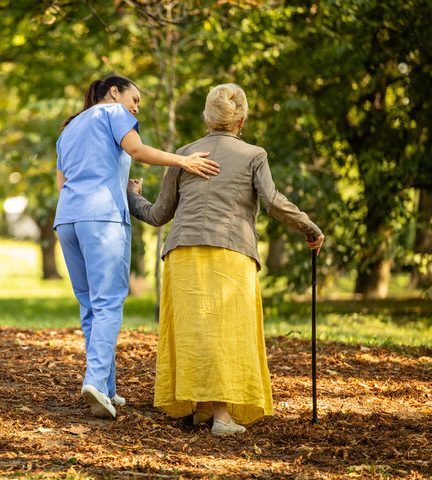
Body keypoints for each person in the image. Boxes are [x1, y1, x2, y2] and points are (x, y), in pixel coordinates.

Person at [127, 83, 324, 435]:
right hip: (230, 252)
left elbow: (158, 215)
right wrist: (309, 227)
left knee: (193, 330)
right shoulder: (253, 154)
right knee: (226, 331)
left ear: (207, 117)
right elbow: (274, 201)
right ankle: (222, 417)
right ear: (241, 121)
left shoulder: (184, 154)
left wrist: (131, 197)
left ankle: (198, 406)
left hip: (182, 252)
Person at [55, 76, 221, 419]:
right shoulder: (112, 113)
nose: (135, 108)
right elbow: (136, 150)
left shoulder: (70, 127)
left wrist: (123, 185)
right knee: (109, 303)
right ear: (113, 92)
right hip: (102, 219)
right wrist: (183, 161)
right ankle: (96, 382)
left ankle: (107, 389)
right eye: (134, 98)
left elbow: (65, 182)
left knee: (90, 306)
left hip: (68, 218)